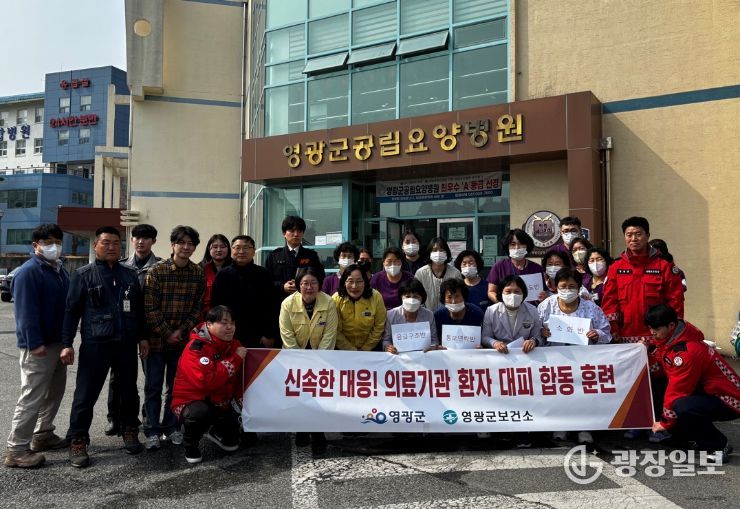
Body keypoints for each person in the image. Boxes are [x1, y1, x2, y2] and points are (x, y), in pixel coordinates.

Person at [62, 226, 149, 468]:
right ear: (95, 245)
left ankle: (129, 429)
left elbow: (139, 310)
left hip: (126, 343)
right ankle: (78, 439)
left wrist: (143, 337)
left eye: (115, 243)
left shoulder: (130, 274)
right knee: (85, 394)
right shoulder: (83, 275)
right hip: (95, 344)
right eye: (106, 242)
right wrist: (66, 344)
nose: (111, 247)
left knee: (128, 390)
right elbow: (71, 312)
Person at [5, 224, 70, 468]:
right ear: (36, 246)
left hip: (58, 343)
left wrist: (66, 341)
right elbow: (25, 313)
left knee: (54, 392)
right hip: (39, 347)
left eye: (57, 242)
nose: (54, 246)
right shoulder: (28, 272)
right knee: (32, 397)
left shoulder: (59, 270)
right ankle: (16, 449)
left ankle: (43, 434)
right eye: (48, 242)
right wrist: (34, 343)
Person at [646, 304, 739, 461]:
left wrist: (665, 422)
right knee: (660, 389)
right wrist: (650, 351)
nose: (652, 332)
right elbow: (664, 369)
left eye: (656, 329)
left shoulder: (687, 351)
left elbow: (677, 390)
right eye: (650, 328)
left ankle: (718, 446)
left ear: (671, 325)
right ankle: (687, 438)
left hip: (729, 398)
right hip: (708, 392)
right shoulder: (672, 340)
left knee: (683, 406)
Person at [143, 226, 205, 451]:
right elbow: (149, 308)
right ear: (172, 245)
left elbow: (197, 308)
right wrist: (167, 332)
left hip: (182, 343)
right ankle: (151, 430)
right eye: (182, 243)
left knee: (176, 387)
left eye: (190, 244)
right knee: (153, 387)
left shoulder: (197, 273)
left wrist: (180, 331)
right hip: (156, 341)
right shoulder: (156, 271)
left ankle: (172, 427)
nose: (186, 247)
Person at [538, 268, 611, 445]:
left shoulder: (591, 308)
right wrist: (542, 332)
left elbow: (607, 332)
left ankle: (584, 428)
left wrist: (597, 334)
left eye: (572, 286)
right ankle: (561, 425)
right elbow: (535, 330)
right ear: (556, 286)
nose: (567, 290)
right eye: (563, 286)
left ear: (579, 288)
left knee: (582, 392)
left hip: (584, 360)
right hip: (555, 359)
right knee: (559, 391)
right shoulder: (546, 305)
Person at [171, 305, 246, 464]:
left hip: (222, 401)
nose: (230, 327)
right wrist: (235, 359)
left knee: (233, 442)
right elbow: (205, 382)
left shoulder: (234, 344)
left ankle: (215, 430)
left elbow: (241, 378)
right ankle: (190, 445)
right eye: (224, 323)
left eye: (232, 323)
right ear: (209, 324)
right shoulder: (196, 348)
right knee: (199, 413)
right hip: (192, 401)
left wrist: (242, 402)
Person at [106, 224, 162, 437]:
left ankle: (149, 416)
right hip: (125, 329)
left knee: (151, 377)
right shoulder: (120, 266)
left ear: (153, 241)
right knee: (118, 376)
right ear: (131, 240)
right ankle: (115, 417)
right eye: (137, 237)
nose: (141, 241)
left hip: (152, 330)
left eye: (146, 238)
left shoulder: (160, 266)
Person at [279, 267, 337, 452]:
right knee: (300, 396)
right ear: (298, 285)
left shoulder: (328, 302)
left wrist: (319, 359)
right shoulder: (287, 303)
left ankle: (319, 433)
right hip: (295, 358)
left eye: (313, 283)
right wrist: (300, 359)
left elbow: (330, 334)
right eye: (305, 283)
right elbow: (287, 335)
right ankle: (302, 429)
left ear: (319, 284)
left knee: (319, 396)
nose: (309, 287)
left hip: (321, 358)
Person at [602, 217, 684, 344]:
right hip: (625, 337)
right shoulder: (616, 267)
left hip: (658, 338)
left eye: (638, 234)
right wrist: (613, 329)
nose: (633, 239)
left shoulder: (664, 265)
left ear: (647, 236)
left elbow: (675, 300)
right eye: (629, 235)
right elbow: (609, 302)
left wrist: (672, 331)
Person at [211, 235, 277, 349]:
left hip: (259, 337)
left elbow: (272, 307)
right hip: (228, 335)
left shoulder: (264, 275)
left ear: (254, 251)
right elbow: (215, 307)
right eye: (237, 248)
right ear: (232, 250)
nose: (241, 251)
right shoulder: (222, 275)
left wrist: (269, 335)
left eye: (246, 248)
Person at [265, 215, 325, 301]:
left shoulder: (311, 256)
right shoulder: (273, 256)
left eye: (299, 231)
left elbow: (320, 277)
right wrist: (282, 286)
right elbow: (266, 281)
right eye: (292, 231)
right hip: (279, 302)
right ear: (284, 233)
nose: (296, 234)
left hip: (304, 301)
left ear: (303, 233)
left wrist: (302, 285)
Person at [482, 275, 543, 353]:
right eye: (508, 291)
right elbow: (485, 337)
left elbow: (538, 337)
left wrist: (533, 341)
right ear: (501, 293)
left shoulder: (532, 310)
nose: (513, 295)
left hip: (524, 353)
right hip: (501, 354)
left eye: (517, 291)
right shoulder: (491, 311)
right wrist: (494, 343)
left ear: (523, 293)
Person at [332, 264, 387, 351]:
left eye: (359, 281)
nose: (354, 286)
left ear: (365, 282)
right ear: (344, 282)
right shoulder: (336, 299)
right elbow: (335, 329)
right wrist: (350, 349)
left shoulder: (376, 297)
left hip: (371, 347)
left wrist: (366, 348)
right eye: (350, 281)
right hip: (343, 349)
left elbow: (379, 326)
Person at [487, 229, 544, 303]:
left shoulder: (537, 268)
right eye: (513, 244)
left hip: (531, 309)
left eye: (521, 243)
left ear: (527, 246)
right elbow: (491, 292)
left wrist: (543, 296)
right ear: (507, 246)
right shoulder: (499, 267)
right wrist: (503, 304)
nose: (517, 247)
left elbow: (543, 292)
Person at [383, 279, 439, 353]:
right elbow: (386, 340)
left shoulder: (429, 315)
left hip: (423, 356)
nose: (412, 300)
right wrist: (388, 347)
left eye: (416, 297)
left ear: (422, 298)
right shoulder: (391, 315)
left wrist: (432, 347)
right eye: (407, 296)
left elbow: (434, 340)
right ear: (401, 297)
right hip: (398, 356)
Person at [413, 237, 462, 310]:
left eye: (441, 250)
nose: (438, 253)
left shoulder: (455, 273)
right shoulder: (421, 273)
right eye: (434, 250)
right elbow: (416, 295)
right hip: (426, 314)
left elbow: (459, 295)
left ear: (447, 252)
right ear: (429, 253)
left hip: (449, 313)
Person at [199, 234, 233, 316]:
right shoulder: (200, 269)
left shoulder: (235, 268)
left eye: (222, 247)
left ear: (228, 249)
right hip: (206, 315)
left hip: (230, 315)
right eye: (215, 247)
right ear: (209, 249)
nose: (219, 250)